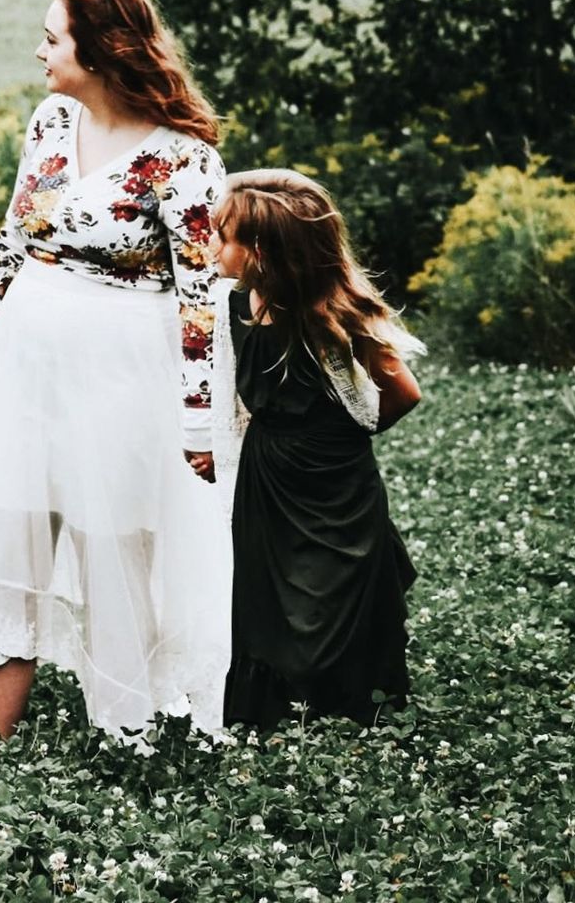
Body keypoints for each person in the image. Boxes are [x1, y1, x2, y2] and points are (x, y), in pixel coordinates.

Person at [0, 0, 230, 754]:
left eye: (53, 38)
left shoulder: (183, 160)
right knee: (6, 529)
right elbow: (13, 239)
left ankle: (126, 738)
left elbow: (202, 298)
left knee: (113, 542)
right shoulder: (51, 120)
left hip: (125, 367)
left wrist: (199, 421)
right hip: (26, 356)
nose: (39, 51)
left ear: (101, 52)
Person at [211, 169, 424, 730]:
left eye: (222, 236)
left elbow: (403, 392)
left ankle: (350, 710)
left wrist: (338, 437)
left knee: (334, 593)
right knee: (267, 593)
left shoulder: (334, 312)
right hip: (267, 475)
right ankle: (271, 715)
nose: (212, 245)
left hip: (335, 479)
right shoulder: (233, 305)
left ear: (259, 250)